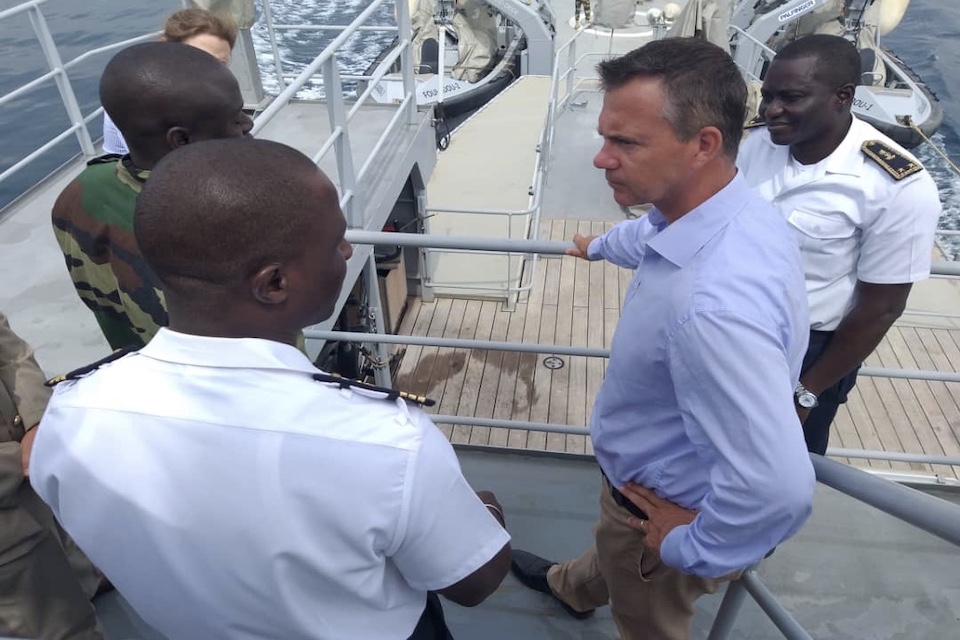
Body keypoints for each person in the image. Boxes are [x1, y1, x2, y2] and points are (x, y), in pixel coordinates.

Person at [31, 138, 512, 640]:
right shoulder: (389, 443)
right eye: (336, 243)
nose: (348, 251)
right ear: (274, 283)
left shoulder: (71, 411)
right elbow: (473, 582)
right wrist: (486, 511)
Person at [509, 38, 815, 640]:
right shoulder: (727, 208)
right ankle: (573, 589)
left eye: (624, 142)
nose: (601, 159)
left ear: (702, 143)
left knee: (643, 604)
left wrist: (686, 546)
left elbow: (777, 488)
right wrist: (597, 246)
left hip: (659, 509)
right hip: (636, 484)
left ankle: (616, 578)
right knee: (614, 550)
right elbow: (651, 233)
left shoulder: (711, 309)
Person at [738, 34, 942, 455]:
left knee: (776, 476)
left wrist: (806, 392)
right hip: (730, 328)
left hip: (808, 354)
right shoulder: (753, 145)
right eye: (768, 96)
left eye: (790, 97)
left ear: (842, 97)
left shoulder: (895, 184)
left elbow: (881, 307)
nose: (771, 110)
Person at [52, 42, 253, 351]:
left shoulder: (79, 192)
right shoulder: (222, 222)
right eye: (235, 117)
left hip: (139, 373)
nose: (247, 124)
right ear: (182, 139)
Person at [0, 311, 105, 640]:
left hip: (39, 490)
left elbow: (11, 352)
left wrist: (37, 422)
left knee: (78, 574)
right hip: (11, 550)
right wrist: (22, 457)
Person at [102, 8, 237, 156]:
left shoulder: (220, 96)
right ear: (164, 47)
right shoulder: (133, 98)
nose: (207, 72)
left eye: (219, 64)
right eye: (195, 59)